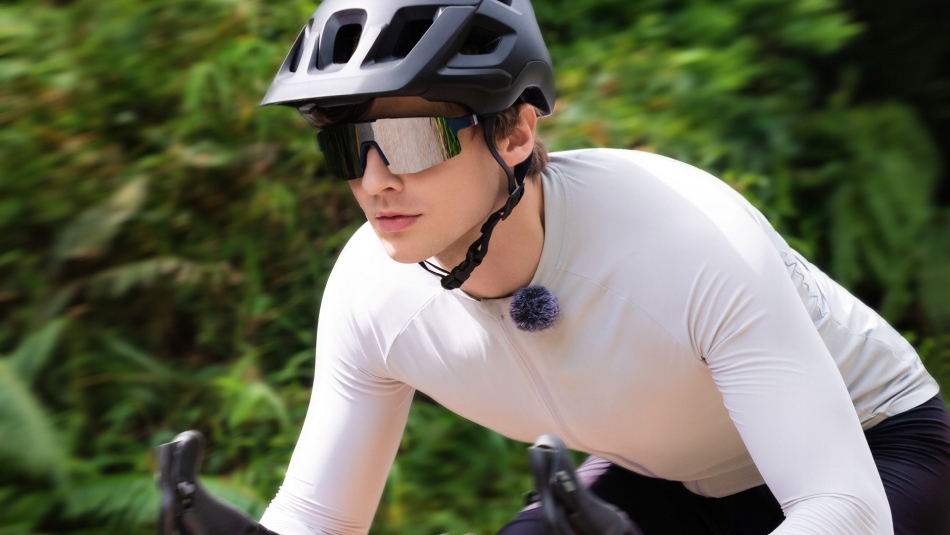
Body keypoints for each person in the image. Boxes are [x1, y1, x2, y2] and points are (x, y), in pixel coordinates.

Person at [253, 0, 950, 533]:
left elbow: (843, 505)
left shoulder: (685, 234)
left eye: (410, 140)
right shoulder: (370, 290)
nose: (375, 180)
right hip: (659, 471)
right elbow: (316, 517)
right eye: (348, 148)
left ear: (515, 131)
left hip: (872, 450)